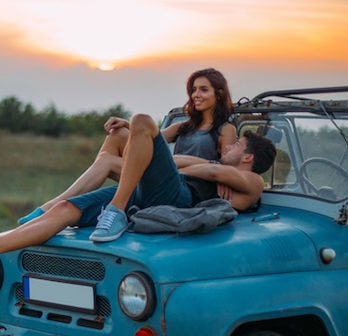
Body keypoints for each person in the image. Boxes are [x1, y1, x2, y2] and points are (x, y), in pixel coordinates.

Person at [0, 114, 276, 273]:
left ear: (248, 157)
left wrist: (199, 167)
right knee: (67, 209)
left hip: (178, 199)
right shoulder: (218, 166)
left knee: (143, 121)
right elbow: (180, 163)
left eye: (237, 145)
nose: (229, 146)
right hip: (154, 192)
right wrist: (147, 150)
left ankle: (116, 209)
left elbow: (211, 171)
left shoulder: (254, 182)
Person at [17, 68, 237, 224]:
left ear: (218, 93)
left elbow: (225, 165)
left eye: (203, 90)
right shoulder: (184, 126)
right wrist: (127, 125)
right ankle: (49, 208)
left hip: (184, 191)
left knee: (108, 160)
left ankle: (47, 210)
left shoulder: (225, 129)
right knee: (118, 134)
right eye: (193, 90)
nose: (196, 95)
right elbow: (151, 139)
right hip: (167, 178)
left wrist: (211, 172)